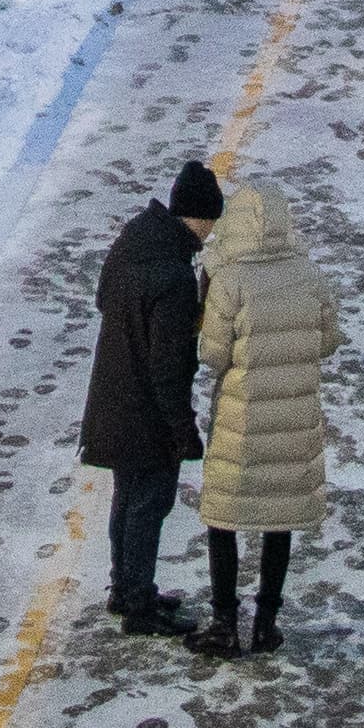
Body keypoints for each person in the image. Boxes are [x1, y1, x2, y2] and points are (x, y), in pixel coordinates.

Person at [189, 173, 333, 661]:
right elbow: (329, 339)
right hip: (294, 417)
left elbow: (211, 355)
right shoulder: (309, 274)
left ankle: (225, 623)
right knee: (279, 521)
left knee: (224, 519)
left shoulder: (230, 279)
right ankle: (267, 623)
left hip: (241, 422)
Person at [79, 160, 222, 633]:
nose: (210, 232)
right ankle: (138, 606)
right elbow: (169, 365)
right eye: (210, 221)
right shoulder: (175, 278)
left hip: (112, 396)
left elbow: (105, 302)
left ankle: (126, 589)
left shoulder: (133, 246)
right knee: (149, 504)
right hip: (146, 410)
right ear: (195, 217)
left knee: (127, 498)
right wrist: (183, 429)